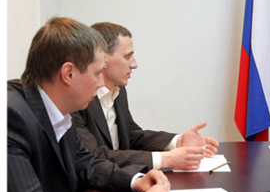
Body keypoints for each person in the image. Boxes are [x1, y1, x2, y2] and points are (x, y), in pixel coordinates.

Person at [5, 17, 178, 192]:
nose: (101, 84)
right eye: (97, 73)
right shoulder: (10, 116)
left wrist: (136, 181)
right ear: (69, 73)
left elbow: (84, 162)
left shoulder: (57, 106)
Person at [72, 22, 219, 171]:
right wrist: (166, 159)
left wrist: (178, 141)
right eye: (127, 57)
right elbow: (94, 156)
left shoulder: (119, 91)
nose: (134, 64)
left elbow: (131, 135)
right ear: (103, 58)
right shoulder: (77, 100)